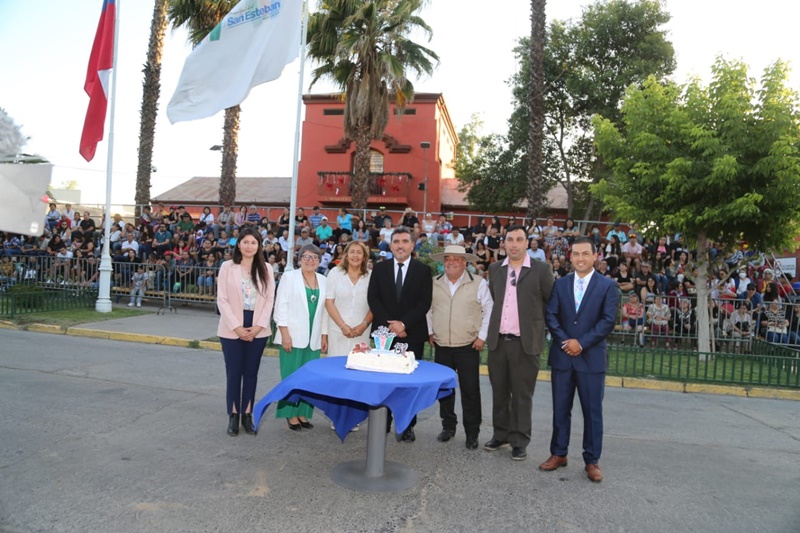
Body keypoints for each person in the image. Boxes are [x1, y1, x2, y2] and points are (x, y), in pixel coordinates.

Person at [540, 237, 619, 482]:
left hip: (591, 359)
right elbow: (551, 315)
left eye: (585, 253)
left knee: (592, 412)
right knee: (560, 410)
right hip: (563, 358)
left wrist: (581, 343)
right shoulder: (561, 284)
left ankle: (592, 460)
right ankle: (558, 453)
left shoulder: (607, 286)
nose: (580, 258)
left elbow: (607, 321)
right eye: (576, 254)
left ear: (595, 256)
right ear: (570, 257)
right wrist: (567, 342)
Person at [484, 225, 554, 461]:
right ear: (504, 243)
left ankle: (519, 440)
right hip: (498, 342)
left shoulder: (541, 270)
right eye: (510, 239)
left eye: (519, 239)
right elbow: (494, 300)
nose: (514, 244)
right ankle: (500, 434)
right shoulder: (495, 269)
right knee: (500, 393)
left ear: (527, 243)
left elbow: (549, 302)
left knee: (522, 395)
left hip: (526, 344)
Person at [367, 226, 433, 442]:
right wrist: (391, 325)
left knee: (408, 384)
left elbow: (424, 303)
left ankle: (407, 425)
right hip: (383, 336)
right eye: (396, 241)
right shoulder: (380, 269)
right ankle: (382, 422)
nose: (400, 245)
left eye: (405, 241)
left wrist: (403, 323)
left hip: (411, 334)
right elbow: (373, 299)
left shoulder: (423, 271)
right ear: (390, 245)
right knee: (383, 380)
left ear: (412, 245)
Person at [427, 245, 493, 450]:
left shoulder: (479, 283)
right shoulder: (434, 283)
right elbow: (428, 309)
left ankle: (472, 433)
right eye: (448, 258)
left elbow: (489, 310)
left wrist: (482, 337)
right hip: (442, 345)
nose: (452, 262)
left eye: (457, 258)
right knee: (445, 390)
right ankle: (448, 426)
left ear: (464, 262)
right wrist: (430, 331)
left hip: (468, 345)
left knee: (470, 391)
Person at [216, 227, 276, 436]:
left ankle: (247, 414)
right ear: (238, 244)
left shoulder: (266, 268)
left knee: (251, 373)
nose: (249, 246)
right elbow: (222, 299)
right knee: (234, 373)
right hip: (232, 327)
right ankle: (233, 415)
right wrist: (237, 327)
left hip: (258, 326)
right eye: (246, 242)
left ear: (259, 246)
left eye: (254, 242)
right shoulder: (227, 267)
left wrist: (259, 326)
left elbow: (269, 299)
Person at [273, 244, 328, 430]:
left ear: (320, 261)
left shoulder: (323, 280)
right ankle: (290, 414)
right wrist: (284, 334)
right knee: (291, 376)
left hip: (313, 338)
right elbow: (280, 306)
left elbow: (324, 312)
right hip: (292, 337)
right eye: (306, 256)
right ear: (299, 259)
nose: (310, 260)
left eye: (314, 257)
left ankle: (304, 413)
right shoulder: (289, 277)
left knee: (309, 378)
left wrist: (323, 335)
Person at [325, 241, 373, 356]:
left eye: (359, 252)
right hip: (337, 330)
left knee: (359, 368)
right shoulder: (335, 273)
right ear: (346, 255)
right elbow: (328, 302)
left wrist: (363, 325)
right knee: (336, 367)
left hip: (362, 332)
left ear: (364, 257)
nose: (355, 256)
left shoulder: (372, 276)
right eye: (352, 252)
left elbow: (375, 304)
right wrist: (343, 326)